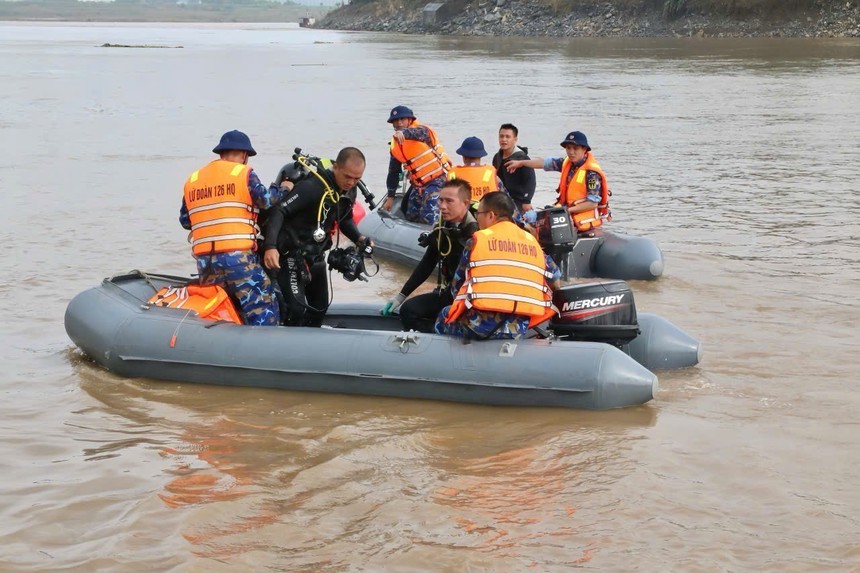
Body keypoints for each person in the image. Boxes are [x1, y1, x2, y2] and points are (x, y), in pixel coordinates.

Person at [180, 130, 289, 326]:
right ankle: (263, 350)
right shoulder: (243, 173)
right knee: (263, 306)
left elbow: (185, 220)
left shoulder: (194, 179)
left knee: (222, 309)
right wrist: (283, 188)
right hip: (237, 258)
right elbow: (265, 200)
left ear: (221, 153)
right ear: (244, 155)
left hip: (206, 262)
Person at [262, 147, 372, 327]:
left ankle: (308, 349)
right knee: (296, 310)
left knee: (319, 308)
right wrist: (270, 247)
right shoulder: (312, 187)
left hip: (316, 256)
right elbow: (279, 210)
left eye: (356, 178)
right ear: (336, 167)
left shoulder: (349, 191)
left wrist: (360, 238)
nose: (351, 182)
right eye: (347, 176)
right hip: (291, 255)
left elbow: (345, 219)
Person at [435, 192, 561, 340]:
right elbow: (556, 281)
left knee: (444, 314)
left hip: (479, 326)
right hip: (518, 327)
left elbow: (457, 288)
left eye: (478, 214)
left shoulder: (477, 242)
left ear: (490, 215)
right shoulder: (533, 243)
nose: (477, 219)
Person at [380, 179, 478, 332]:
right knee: (408, 310)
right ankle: (433, 342)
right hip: (450, 294)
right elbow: (427, 264)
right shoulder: (442, 228)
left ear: (465, 203)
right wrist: (400, 296)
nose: (442, 206)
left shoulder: (478, 233)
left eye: (449, 201)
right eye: (440, 200)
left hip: (471, 300)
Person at [505, 130, 610, 233]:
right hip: (566, 216)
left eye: (575, 148)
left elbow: (592, 204)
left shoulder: (592, 174)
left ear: (584, 149)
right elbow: (543, 163)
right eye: (568, 148)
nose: (571, 152)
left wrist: (564, 211)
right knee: (534, 220)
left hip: (583, 222)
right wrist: (521, 163)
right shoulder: (567, 162)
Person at [383, 105, 452, 224]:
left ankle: (435, 235)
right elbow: (393, 172)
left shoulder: (422, 132)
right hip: (419, 185)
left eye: (402, 119)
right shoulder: (395, 146)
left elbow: (414, 133)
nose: (398, 123)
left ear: (410, 120)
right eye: (395, 121)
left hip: (438, 179)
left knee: (429, 212)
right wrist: (390, 197)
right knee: (410, 212)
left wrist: (403, 133)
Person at [491, 123, 537, 223]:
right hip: (502, 199)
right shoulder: (497, 157)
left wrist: (526, 201)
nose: (504, 140)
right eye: (501, 136)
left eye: (508, 137)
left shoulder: (522, 158)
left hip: (519, 200)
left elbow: (531, 181)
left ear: (515, 139)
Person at [447, 136, 504, 204]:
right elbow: (505, 197)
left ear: (464, 157)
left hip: (462, 213)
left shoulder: (452, 174)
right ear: (480, 156)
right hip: (487, 212)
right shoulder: (490, 172)